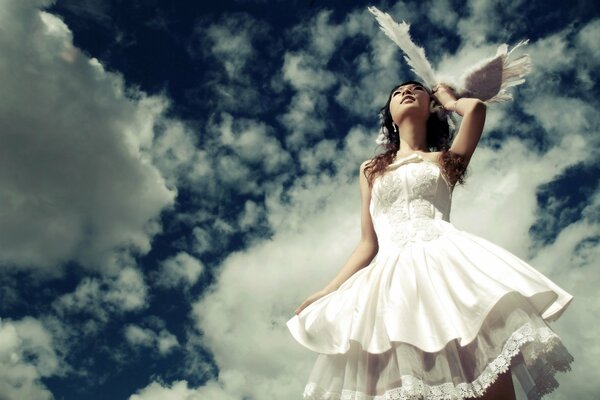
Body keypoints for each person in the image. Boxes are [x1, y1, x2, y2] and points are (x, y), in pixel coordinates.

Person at [286, 81, 574, 399]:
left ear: (431, 105)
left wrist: (449, 100)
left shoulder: (445, 160)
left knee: (488, 371)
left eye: (416, 90)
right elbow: (368, 243)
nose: (405, 93)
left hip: (448, 266)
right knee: (395, 378)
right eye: (396, 92)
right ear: (390, 117)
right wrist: (329, 290)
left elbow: (476, 109)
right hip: (391, 278)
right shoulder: (370, 170)